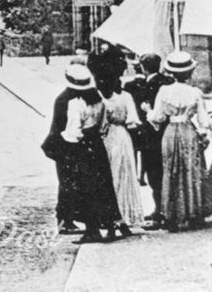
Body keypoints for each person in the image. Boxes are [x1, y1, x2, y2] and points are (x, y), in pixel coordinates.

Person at [146, 51, 212, 232]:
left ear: (171, 73)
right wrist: (204, 132)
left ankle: (172, 215)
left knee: (171, 170)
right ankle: (193, 213)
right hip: (188, 131)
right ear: (189, 73)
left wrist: (147, 111)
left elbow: (158, 117)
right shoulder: (195, 92)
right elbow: (204, 120)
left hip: (170, 132)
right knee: (191, 169)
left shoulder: (164, 91)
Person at [59, 64, 124, 243]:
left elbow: (73, 131)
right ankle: (110, 226)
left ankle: (92, 229)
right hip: (97, 144)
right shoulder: (99, 101)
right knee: (103, 185)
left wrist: (68, 145)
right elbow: (103, 125)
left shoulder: (75, 103)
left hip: (82, 147)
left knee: (85, 187)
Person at [41, 65, 84, 234]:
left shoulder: (65, 98)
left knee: (69, 182)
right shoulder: (66, 100)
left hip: (66, 145)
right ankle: (64, 220)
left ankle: (68, 218)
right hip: (65, 146)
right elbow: (63, 128)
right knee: (67, 182)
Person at [99, 76, 145, 230]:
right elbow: (133, 120)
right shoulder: (125, 97)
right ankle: (120, 214)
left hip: (108, 136)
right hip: (120, 134)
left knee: (116, 173)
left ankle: (117, 215)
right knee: (120, 173)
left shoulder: (99, 97)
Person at [136, 53, 172, 227]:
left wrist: (145, 109)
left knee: (155, 172)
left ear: (143, 67)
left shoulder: (149, 85)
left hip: (152, 133)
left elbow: (151, 112)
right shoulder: (168, 81)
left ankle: (160, 210)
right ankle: (161, 209)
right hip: (168, 131)